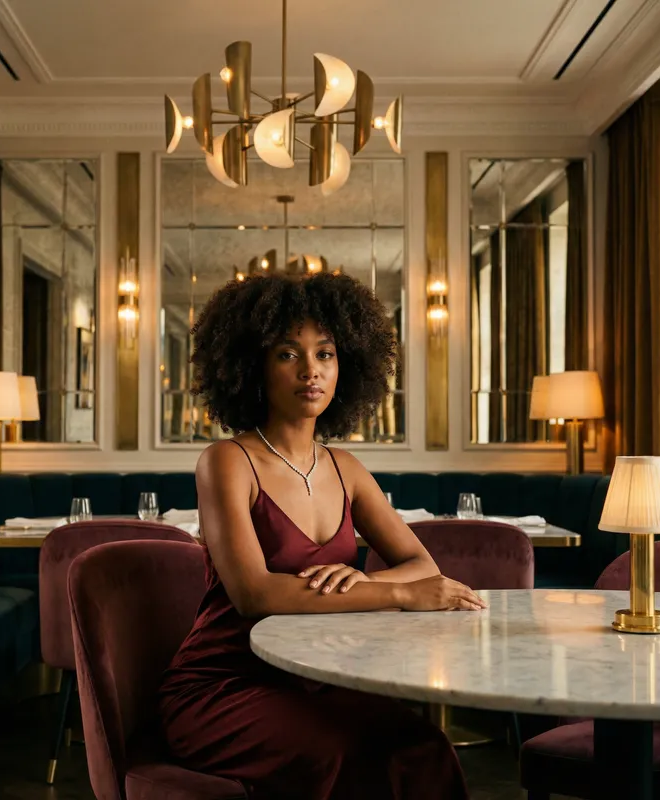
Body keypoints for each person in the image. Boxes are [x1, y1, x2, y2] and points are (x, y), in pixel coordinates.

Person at [158, 272, 485, 799]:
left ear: (345, 366)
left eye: (325, 354)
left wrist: (364, 580)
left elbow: (422, 565)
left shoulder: (346, 468)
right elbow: (254, 594)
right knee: (340, 754)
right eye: (288, 354)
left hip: (316, 677)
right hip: (224, 685)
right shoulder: (227, 462)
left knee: (423, 749)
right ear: (254, 366)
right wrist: (395, 593)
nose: (311, 370)